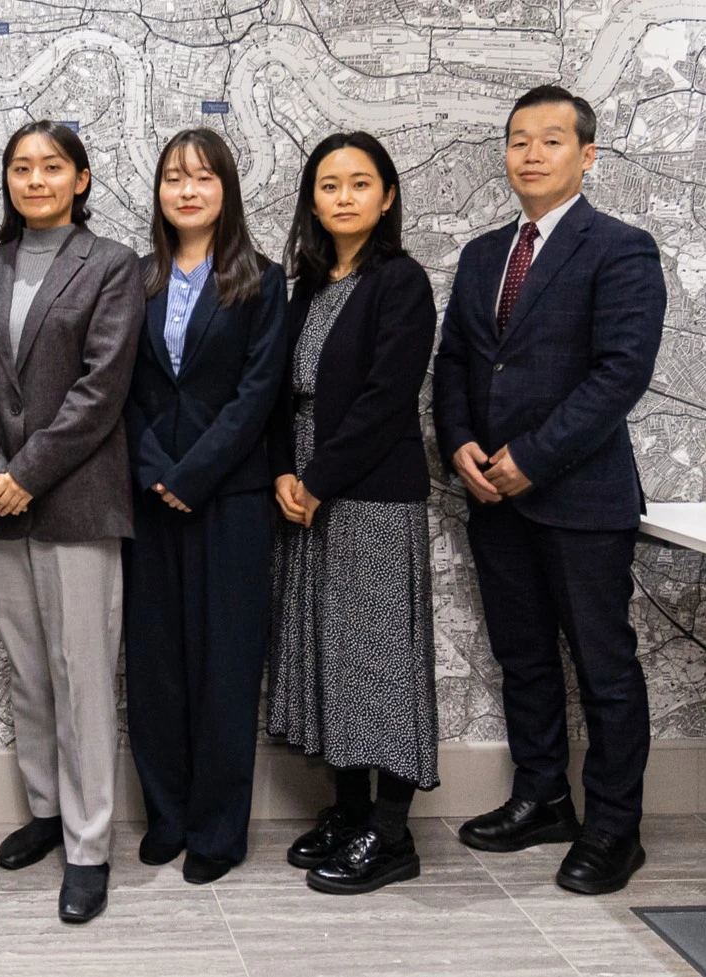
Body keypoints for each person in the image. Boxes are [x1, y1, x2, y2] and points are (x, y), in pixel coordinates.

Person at [432, 84, 666, 895]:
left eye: (551, 140)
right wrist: (458, 443)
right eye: (519, 140)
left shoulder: (621, 249)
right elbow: (455, 362)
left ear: (587, 155)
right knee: (523, 658)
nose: (531, 154)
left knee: (603, 667)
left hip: (581, 498)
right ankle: (542, 798)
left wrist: (530, 457)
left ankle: (613, 828)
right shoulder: (482, 255)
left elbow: (619, 374)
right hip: (492, 497)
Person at [0, 120, 144, 923]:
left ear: (80, 179)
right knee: (29, 669)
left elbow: (101, 388)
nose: (35, 180)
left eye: (52, 166)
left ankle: (89, 846)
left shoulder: (113, 265)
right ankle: (46, 811)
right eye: (22, 167)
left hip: (77, 500)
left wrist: (24, 474)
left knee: (82, 674)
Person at [267, 131, 439, 896]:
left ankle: (392, 835)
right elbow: (277, 392)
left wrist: (317, 479)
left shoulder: (401, 282)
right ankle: (348, 811)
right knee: (331, 656)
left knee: (381, 663)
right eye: (329, 185)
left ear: (388, 195)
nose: (344, 197)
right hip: (306, 492)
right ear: (312, 200)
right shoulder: (304, 286)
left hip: (369, 493)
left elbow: (385, 399)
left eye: (360, 183)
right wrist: (284, 470)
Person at [122, 128, 287, 885]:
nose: (187, 191)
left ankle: (218, 831)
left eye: (202, 177)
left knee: (226, 665)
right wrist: (156, 469)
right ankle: (168, 817)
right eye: (173, 178)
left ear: (227, 189)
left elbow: (258, 394)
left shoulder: (263, 280)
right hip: (150, 496)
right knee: (156, 665)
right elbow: (120, 386)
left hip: (231, 498)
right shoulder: (134, 279)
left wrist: (193, 474)